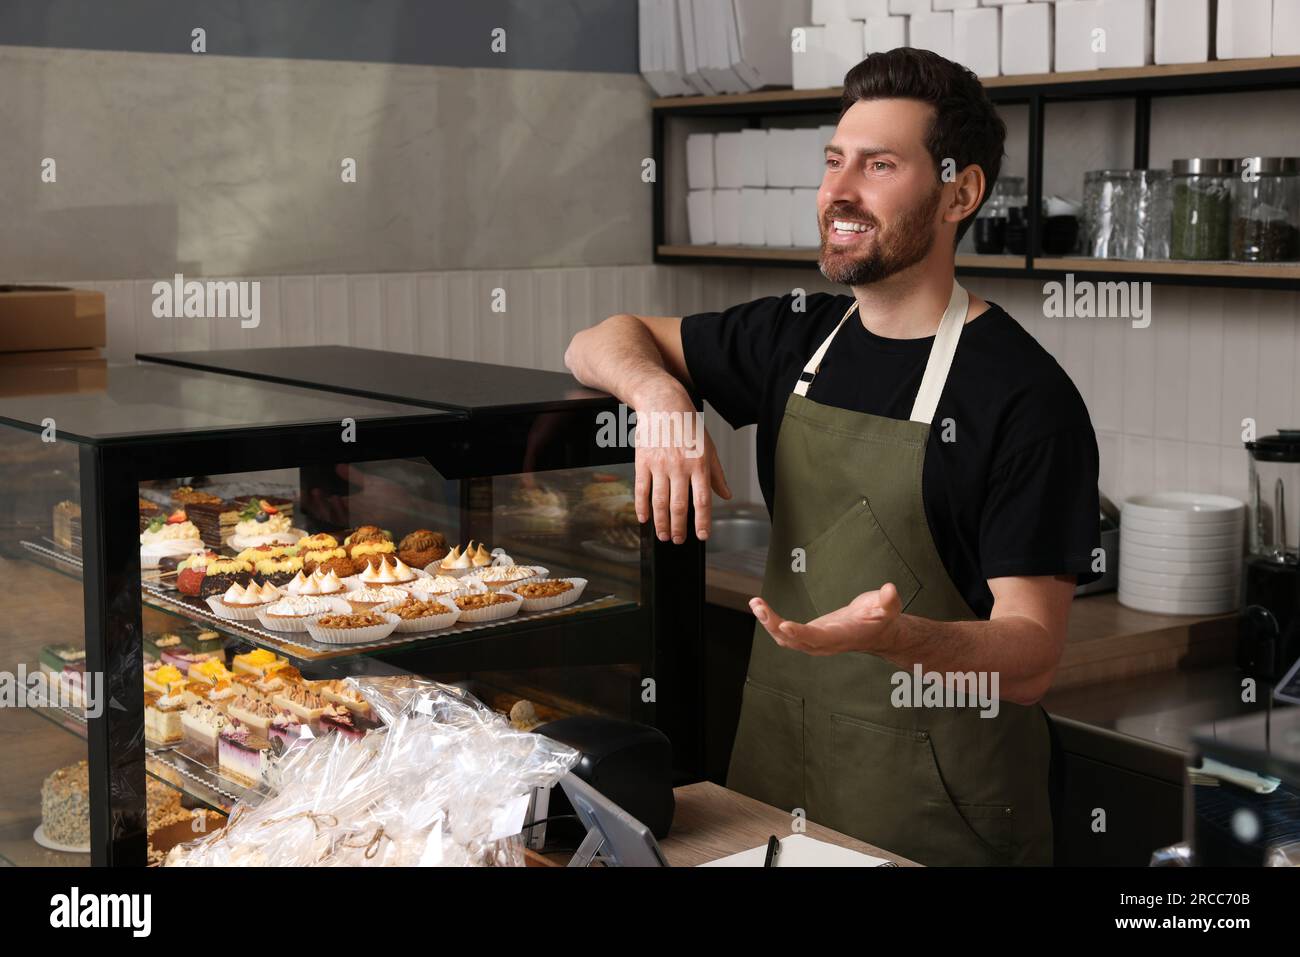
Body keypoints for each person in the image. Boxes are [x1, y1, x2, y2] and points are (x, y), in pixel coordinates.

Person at [564, 48, 1100, 866]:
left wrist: (899, 638)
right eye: (832, 161)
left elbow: (1030, 656)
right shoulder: (794, 334)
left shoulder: (1025, 397)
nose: (838, 193)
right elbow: (597, 341)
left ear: (961, 192)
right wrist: (663, 399)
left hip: (939, 825)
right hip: (777, 801)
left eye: (879, 165)